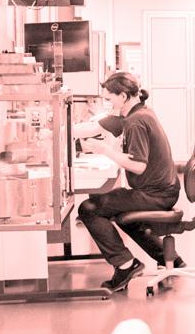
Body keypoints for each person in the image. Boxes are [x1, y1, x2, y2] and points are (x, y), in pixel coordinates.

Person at [78, 71, 184, 293]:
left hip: (156, 194)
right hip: (163, 190)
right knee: (123, 215)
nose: (108, 104)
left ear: (124, 96)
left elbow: (138, 166)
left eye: (109, 99)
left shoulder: (136, 122)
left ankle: (126, 265)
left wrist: (106, 150)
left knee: (89, 208)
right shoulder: (140, 113)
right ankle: (169, 258)